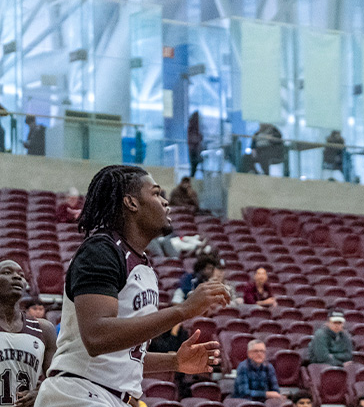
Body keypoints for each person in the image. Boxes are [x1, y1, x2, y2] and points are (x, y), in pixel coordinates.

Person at [34, 164, 231, 407]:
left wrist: (175, 362)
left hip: (108, 396)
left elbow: (121, 355)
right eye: (156, 193)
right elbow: (97, 337)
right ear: (132, 203)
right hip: (78, 393)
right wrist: (183, 310)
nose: (165, 202)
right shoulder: (101, 251)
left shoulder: (143, 266)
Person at [0, 259, 57, 407]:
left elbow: (56, 380)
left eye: (21, 275)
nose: (17, 277)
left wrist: (40, 392)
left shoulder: (44, 329)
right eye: (7, 272)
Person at [187, 111, 203, 178]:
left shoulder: (196, 128)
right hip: (194, 151)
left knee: (195, 168)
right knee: (193, 168)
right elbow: (193, 139)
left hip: (195, 150)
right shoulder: (192, 128)